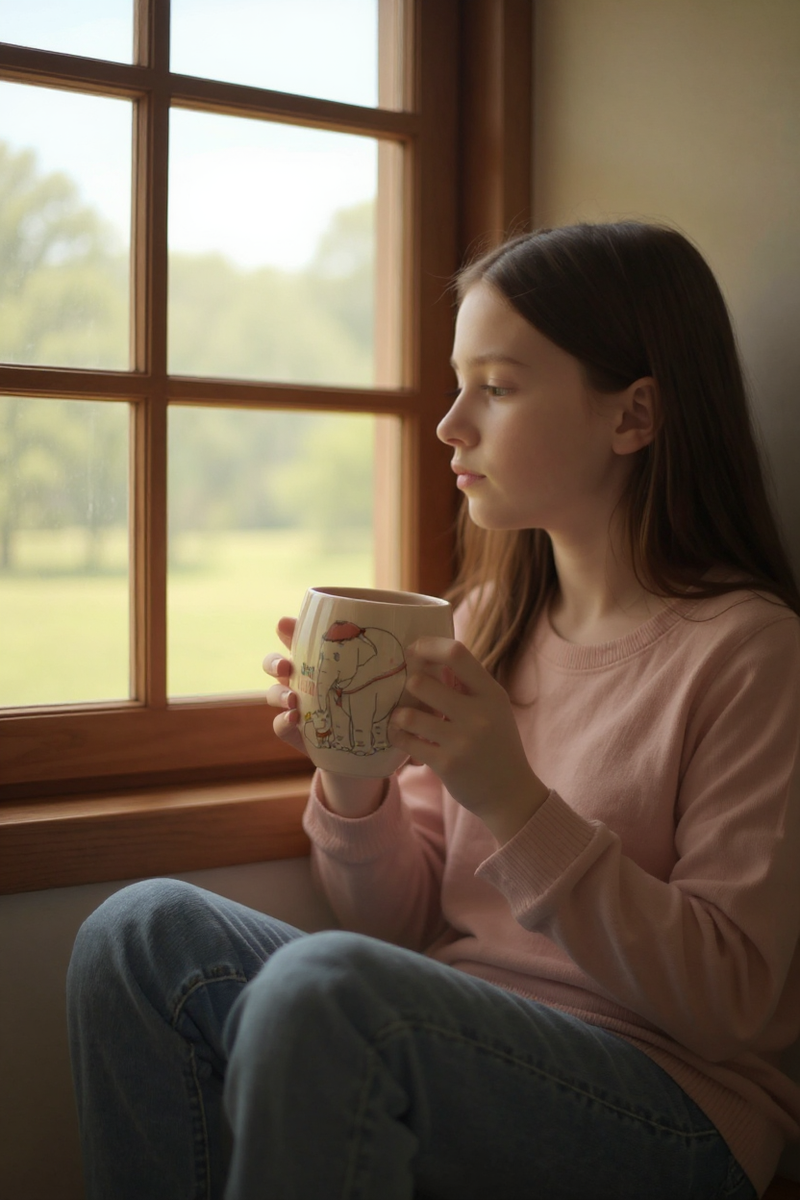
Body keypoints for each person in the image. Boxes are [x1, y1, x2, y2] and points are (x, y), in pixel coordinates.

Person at [67, 221, 800, 1200]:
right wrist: (354, 774)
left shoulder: (750, 652)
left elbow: (733, 1006)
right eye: (457, 383)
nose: (449, 423)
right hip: (461, 1035)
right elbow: (401, 922)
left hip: (670, 1107)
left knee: (322, 990)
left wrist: (510, 798)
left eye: (494, 387)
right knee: (138, 931)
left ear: (631, 416)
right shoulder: (488, 621)